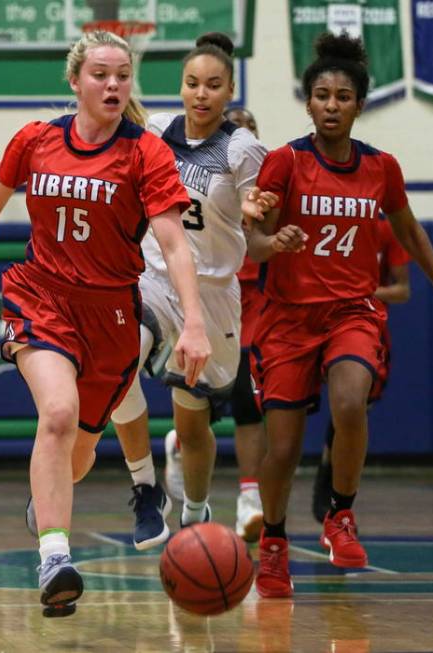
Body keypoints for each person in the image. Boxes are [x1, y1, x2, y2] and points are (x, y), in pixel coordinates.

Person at [0, 29, 211, 616]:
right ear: (75, 81)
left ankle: (51, 499)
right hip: (43, 299)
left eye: (122, 75)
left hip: (112, 316)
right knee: (57, 413)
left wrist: (192, 321)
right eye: (100, 75)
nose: (113, 84)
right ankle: (55, 558)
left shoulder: (146, 153)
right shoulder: (36, 140)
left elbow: (173, 240)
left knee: (79, 455)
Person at [245, 33, 433, 598]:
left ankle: (339, 515)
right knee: (283, 449)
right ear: (308, 103)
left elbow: (409, 231)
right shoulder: (285, 161)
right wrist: (274, 242)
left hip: (352, 311)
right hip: (287, 319)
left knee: (350, 401)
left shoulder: (380, 168)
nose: (330, 104)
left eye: (341, 96)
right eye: (321, 94)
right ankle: (273, 542)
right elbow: (251, 239)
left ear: (358, 105)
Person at [109, 33, 272, 550]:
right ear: (181, 87)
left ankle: (196, 513)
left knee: (194, 423)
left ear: (229, 93)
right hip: (154, 280)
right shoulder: (155, 131)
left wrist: (254, 211)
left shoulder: (243, 148)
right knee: (116, 358)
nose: (201, 94)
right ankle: (145, 488)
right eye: (192, 83)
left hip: (214, 295)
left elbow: (259, 205)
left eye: (214, 85)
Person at [163, 105, 268, 543]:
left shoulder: (263, 188)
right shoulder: (197, 181)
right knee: (197, 415)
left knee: (248, 406)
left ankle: (249, 497)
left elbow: (269, 246)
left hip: (251, 315)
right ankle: (178, 446)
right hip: (203, 303)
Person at [311, 215, 412, 522]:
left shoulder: (387, 229)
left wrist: (363, 292)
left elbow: (403, 290)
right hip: (316, 320)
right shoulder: (322, 215)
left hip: (366, 326)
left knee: (354, 406)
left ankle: (331, 476)